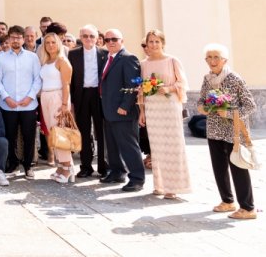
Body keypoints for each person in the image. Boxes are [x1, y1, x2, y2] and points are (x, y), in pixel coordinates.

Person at [197, 43, 257, 220]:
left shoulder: (234, 78)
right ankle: (227, 201)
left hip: (233, 131)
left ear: (225, 60)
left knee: (238, 166)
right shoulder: (207, 79)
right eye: (209, 57)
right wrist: (202, 108)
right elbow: (201, 100)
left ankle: (248, 208)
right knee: (219, 167)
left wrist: (228, 113)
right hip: (214, 129)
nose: (213, 61)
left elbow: (250, 106)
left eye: (217, 57)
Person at [137, 29, 191, 198]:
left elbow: (183, 83)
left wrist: (168, 88)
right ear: (147, 44)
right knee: (157, 146)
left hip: (169, 106)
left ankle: (173, 187)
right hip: (153, 108)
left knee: (173, 146)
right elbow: (141, 90)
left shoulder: (172, 60)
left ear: (162, 43)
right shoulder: (143, 64)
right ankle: (160, 185)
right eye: (151, 41)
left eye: (157, 41)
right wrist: (142, 111)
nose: (153, 45)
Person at [99, 29, 145, 192]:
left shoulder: (128, 58)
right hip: (109, 110)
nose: (111, 42)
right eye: (107, 39)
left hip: (122, 111)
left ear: (122, 41)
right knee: (112, 144)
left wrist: (125, 106)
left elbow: (133, 84)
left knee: (128, 145)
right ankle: (117, 172)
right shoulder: (107, 58)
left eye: (114, 39)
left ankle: (137, 178)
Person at [0, 25, 41, 178]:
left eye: (19, 37)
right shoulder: (1, 58)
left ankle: (28, 165)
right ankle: (12, 163)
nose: (16, 40)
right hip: (8, 105)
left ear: (23, 39)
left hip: (28, 105)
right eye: (13, 37)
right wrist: (7, 97)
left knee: (29, 137)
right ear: (8, 38)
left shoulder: (32, 57)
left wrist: (30, 97)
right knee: (9, 136)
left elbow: (37, 79)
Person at [68, 24, 108, 178]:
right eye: (85, 36)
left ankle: (104, 166)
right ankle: (86, 166)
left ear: (97, 38)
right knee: (84, 132)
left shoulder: (104, 54)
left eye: (92, 36)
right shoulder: (73, 54)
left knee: (101, 131)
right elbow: (70, 79)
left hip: (99, 96)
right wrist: (71, 100)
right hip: (81, 95)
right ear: (80, 37)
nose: (88, 39)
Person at [37, 33, 75, 183]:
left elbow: (66, 84)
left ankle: (68, 168)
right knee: (53, 133)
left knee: (61, 132)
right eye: (47, 43)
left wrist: (65, 104)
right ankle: (62, 165)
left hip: (58, 97)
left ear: (58, 44)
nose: (50, 45)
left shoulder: (62, 60)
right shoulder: (46, 61)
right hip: (45, 97)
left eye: (53, 42)